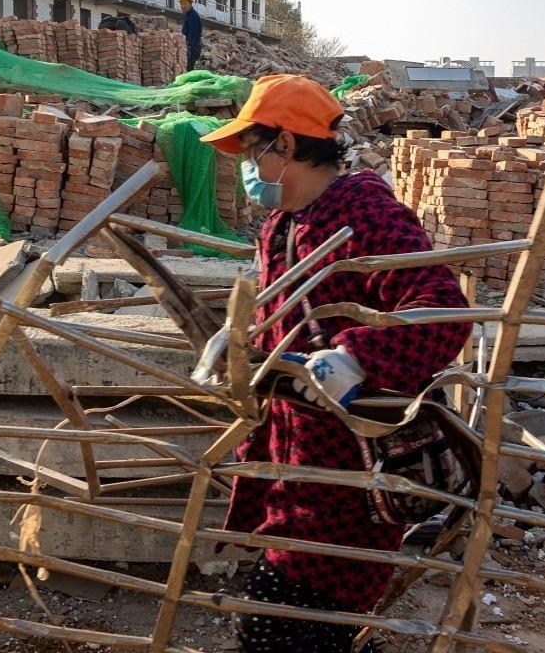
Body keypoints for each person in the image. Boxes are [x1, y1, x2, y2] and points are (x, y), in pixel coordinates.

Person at [199, 74, 472, 653]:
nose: (247, 165)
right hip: (293, 454)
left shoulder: (361, 214)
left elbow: (443, 310)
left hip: (348, 470)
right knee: (315, 623)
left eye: (253, 149)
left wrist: (356, 357)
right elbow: (288, 313)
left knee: (277, 623)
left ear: (287, 146)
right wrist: (240, 339)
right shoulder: (284, 222)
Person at [179, 0, 203, 71]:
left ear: (190, 4)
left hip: (192, 48)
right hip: (189, 47)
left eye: (185, 4)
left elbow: (194, 33)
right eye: (181, 4)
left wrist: (188, 45)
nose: (183, 6)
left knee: (189, 68)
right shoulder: (188, 16)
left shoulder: (193, 16)